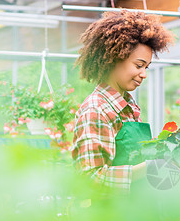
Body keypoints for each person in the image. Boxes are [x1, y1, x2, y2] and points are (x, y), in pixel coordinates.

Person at [72, 10, 174, 193]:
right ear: (114, 58)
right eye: (138, 65)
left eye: (146, 67)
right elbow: (90, 178)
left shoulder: (129, 107)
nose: (144, 74)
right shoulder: (96, 109)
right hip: (108, 218)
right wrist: (150, 166)